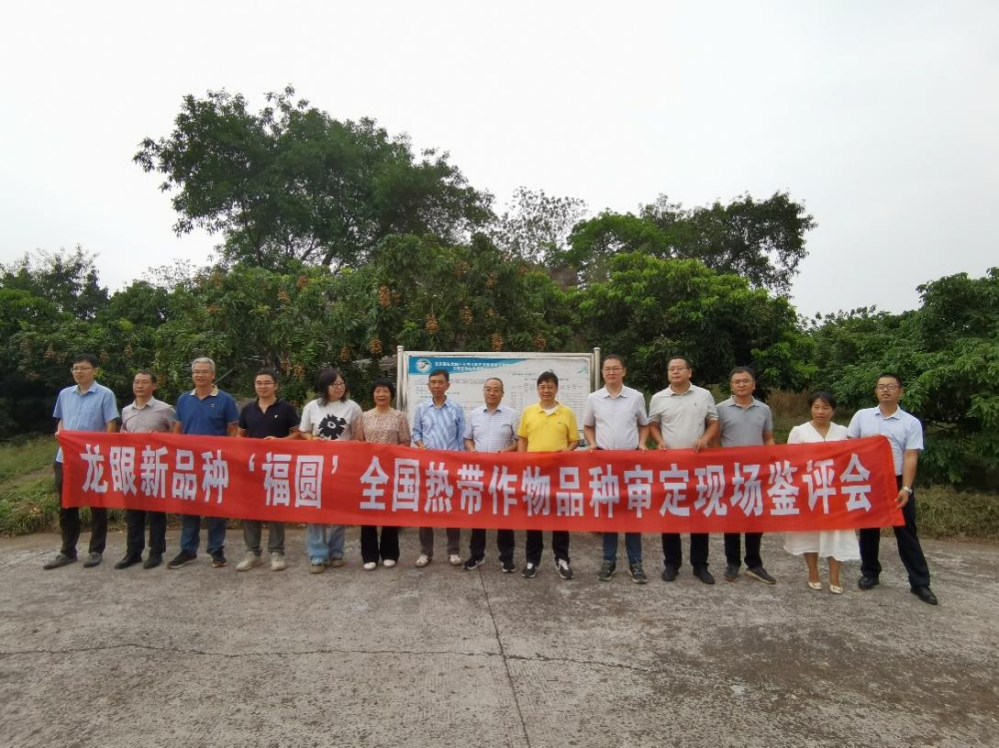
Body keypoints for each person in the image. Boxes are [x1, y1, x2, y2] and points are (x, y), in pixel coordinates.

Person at [847, 373, 937, 605]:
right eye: (881, 386)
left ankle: (920, 583)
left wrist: (906, 487)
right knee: (869, 529)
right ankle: (870, 573)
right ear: (876, 391)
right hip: (869, 480)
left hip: (897, 481)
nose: (885, 390)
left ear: (900, 391)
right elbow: (848, 447)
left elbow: (910, 456)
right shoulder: (862, 416)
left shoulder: (910, 422)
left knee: (906, 531)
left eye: (891, 386)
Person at [43, 354, 119, 570]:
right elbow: (61, 420)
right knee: (67, 504)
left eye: (84, 368)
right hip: (66, 458)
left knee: (97, 504)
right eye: (75, 368)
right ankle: (67, 551)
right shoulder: (65, 394)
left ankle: (96, 550)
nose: (79, 372)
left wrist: (104, 452)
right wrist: (60, 433)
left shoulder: (105, 394)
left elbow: (111, 425)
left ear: (95, 370)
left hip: (93, 458)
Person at [648, 356, 719, 585]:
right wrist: (659, 440)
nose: (675, 371)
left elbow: (714, 422)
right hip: (670, 467)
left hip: (697, 465)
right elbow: (653, 425)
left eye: (680, 368)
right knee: (670, 514)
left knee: (699, 515)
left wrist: (705, 439)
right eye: (671, 369)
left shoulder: (703, 395)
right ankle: (672, 563)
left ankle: (700, 565)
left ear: (690, 372)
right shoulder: (658, 398)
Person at [783, 392, 859, 594]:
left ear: (833, 410)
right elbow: (790, 461)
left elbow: (851, 458)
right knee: (809, 533)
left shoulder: (843, 432)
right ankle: (813, 572)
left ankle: (834, 576)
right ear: (810, 409)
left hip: (836, 492)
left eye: (825, 408)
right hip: (809, 490)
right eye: (816, 407)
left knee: (837, 534)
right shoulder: (799, 431)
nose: (820, 412)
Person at [168, 356, 240, 569]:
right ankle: (188, 550)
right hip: (189, 463)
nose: (200, 375)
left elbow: (233, 430)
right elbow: (178, 428)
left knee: (216, 508)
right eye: (196, 371)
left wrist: (227, 454)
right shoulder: (184, 399)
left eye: (204, 371)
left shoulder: (225, 399)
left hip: (214, 463)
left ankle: (216, 550)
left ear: (213, 374)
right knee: (189, 507)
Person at [583, 355, 650, 584]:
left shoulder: (635, 397)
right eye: (607, 369)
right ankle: (609, 560)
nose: (611, 372)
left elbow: (644, 424)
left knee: (632, 512)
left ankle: (635, 562)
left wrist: (643, 443)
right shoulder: (594, 398)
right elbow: (588, 426)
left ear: (624, 371)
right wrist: (592, 443)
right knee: (609, 513)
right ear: (602, 372)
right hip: (605, 463)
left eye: (615, 368)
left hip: (631, 463)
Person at [298, 367, 362, 574]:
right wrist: (312, 438)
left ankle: (336, 552)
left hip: (343, 466)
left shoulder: (353, 407)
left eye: (342, 384)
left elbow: (358, 436)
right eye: (335, 384)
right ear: (325, 386)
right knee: (315, 509)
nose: (340, 388)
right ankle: (317, 555)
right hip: (317, 466)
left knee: (339, 510)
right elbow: (303, 431)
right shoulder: (312, 407)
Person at [716, 366, 777, 584]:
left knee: (755, 519)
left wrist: (773, 458)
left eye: (745, 381)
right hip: (730, 473)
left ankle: (754, 564)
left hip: (757, 473)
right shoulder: (720, 409)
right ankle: (732, 563)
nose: (741, 385)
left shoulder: (764, 409)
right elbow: (715, 440)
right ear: (731, 386)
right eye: (736, 382)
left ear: (754, 384)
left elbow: (768, 438)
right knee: (732, 519)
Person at [235, 368, 300, 572]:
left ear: (275, 385)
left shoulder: (287, 408)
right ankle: (252, 552)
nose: (262, 386)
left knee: (275, 509)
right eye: (259, 383)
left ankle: (276, 552)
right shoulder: (248, 409)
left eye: (267, 383)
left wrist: (280, 441)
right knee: (249, 510)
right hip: (252, 467)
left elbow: (297, 435)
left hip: (277, 466)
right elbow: (240, 435)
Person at [518, 371, 578, 580]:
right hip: (534, 474)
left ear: (556, 389)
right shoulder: (529, 412)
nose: (546, 390)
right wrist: (522, 461)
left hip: (558, 474)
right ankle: (532, 560)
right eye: (542, 387)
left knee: (559, 518)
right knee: (534, 518)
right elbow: (522, 438)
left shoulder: (567, 413)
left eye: (550, 387)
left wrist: (567, 451)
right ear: (537, 389)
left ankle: (562, 559)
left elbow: (574, 440)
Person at [115, 369, 176, 570]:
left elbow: (178, 435)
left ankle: (156, 552)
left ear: (154, 386)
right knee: (133, 512)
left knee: (156, 512)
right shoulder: (126, 410)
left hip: (156, 467)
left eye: (144, 382)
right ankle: (133, 552)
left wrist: (160, 437)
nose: (139, 386)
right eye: (136, 382)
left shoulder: (165, 409)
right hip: (132, 468)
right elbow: (122, 433)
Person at [462, 377, 519, 573]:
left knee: (504, 516)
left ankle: (507, 558)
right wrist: (472, 450)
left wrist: (507, 451)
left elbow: (519, 441)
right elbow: (467, 438)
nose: (491, 393)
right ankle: (477, 555)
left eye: (496, 390)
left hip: (503, 473)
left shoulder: (512, 414)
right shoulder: (475, 414)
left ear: (502, 393)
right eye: (488, 389)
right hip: (479, 473)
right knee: (479, 516)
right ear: (483, 391)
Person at [354, 377, 410, 570]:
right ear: (373, 394)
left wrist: (390, 451)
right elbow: (357, 442)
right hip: (369, 471)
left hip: (391, 470)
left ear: (391, 394)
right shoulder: (364, 417)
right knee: (367, 512)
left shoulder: (399, 417)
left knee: (389, 512)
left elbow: (405, 442)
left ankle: (390, 553)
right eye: (377, 391)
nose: (381, 394)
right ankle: (369, 556)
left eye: (385, 391)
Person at [411, 368, 465, 568]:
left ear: (447, 385)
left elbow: (461, 438)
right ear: (428, 386)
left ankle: (454, 551)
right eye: (433, 382)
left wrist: (459, 463)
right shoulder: (421, 408)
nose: (436, 385)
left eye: (440, 382)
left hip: (450, 467)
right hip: (428, 466)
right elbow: (416, 432)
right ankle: (426, 552)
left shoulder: (456, 408)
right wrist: (420, 445)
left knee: (451, 508)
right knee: (426, 509)